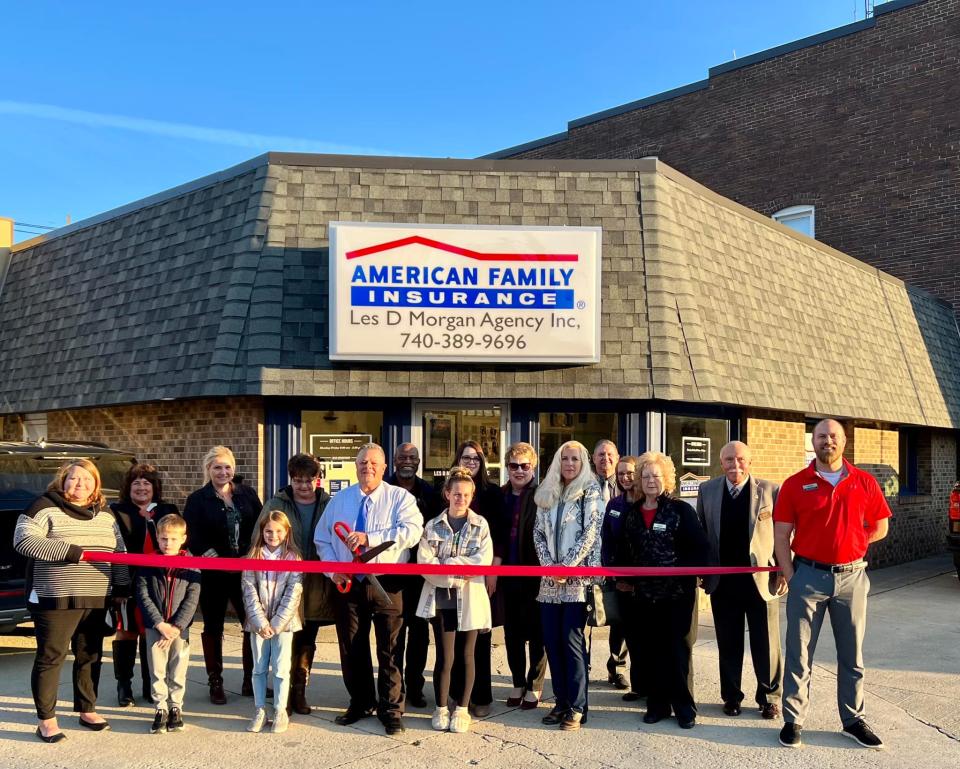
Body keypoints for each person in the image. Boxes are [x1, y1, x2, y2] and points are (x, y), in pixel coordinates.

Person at [774, 419, 891, 750]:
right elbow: (781, 535)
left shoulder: (864, 481)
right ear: (813, 441)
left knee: (852, 654)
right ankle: (793, 720)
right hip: (807, 576)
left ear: (844, 442)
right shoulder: (796, 484)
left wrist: (855, 544)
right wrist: (791, 576)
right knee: (799, 653)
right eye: (822, 436)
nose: (828, 441)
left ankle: (853, 720)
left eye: (834, 436)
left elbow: (880, 526)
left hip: (852, 578)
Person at [13, 459, 129, 742]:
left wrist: (121, 586)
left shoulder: (105, 514)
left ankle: (87, 709)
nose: (81, 484)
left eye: (88, 479)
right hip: (55, 597)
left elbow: (119, 551)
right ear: (63, 481)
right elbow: (23, 540)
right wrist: (70, 551)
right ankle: (47, 719)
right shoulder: (43, 506)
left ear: (96, 484)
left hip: (96, 595)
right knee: (52, 657)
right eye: (74, 479)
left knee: (90, 654)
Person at [315, 443, 424, 735]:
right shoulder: (340, 500)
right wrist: (331, 569)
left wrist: (370, 538)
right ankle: (360, 702)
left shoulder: (400, 498)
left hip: (388, 582)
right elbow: (322, 539)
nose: (368, 468)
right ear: (356, 465)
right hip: (349, 584)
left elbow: (413, 532)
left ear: (384, 467)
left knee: (390, 649)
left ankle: (391, 709)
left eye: (374, 463)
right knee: (352, 647)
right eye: (363, 463)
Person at [613, 451, 709, 729]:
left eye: (656, 475)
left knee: (678, 651)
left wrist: (692, 575)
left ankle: (684, 708)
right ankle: (657, 705)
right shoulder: (632, 514)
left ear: (665, 478)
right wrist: (622, 576)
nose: (651, 480)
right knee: (651, 651)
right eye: (645, 475)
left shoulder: (681, 510)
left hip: (677, 595)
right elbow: (625, 550)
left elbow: (699, 548)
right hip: (644, 595)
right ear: (639, 481)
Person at [698, 440, 784, 720]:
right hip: (723, 583)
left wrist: (784, 567)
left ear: (750, 461)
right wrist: (702, 570)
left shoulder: (771, 491)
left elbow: (785, 534)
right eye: (729, 460)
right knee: (729, 642)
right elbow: (702, 534)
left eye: (740, 459)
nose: (735, 465)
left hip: (760, 582)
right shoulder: (707, 490)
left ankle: (769, 697)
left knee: (766, 643)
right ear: (720, 462)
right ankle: (731, 697)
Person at [533, 440, 604, 731]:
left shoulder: (591, 489)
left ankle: (577, 706)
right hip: (549, 582)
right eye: (565, 459)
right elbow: (538, 532)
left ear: (583, 461)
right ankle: (560, 702)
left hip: (577, 580)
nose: (570, 464)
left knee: (572, 643)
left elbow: (591, 533)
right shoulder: (547, 490)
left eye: (575, 458)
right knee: (552, 643)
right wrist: (550, 567)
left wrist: (567, 566)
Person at [183, 445, 263, 704]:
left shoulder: (247, 494)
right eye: (217, 467)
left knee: (251, 623)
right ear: (208, 469)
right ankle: (215, 680)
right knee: (213, 627)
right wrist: (207, 552)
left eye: (227, 467)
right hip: (213, 572)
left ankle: (252, 678)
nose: (223, 472)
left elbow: (260, 527)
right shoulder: (197, 499)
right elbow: (191, 533)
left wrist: (251, 553)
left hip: (244, 570)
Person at [416, 467, 494, 733]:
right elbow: (426, 564)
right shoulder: (432, 526)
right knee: (445, 657)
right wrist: (454, 575)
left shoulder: (480, 525)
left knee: (467, 655)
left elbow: (481, 561)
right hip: (441, 601)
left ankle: (462, 708)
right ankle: (440, 708)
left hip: (471, 600)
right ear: (447, 494)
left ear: (472, 497)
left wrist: (448, 565)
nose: (460, 499)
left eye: (466, 495)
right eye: (456, 493)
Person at [260, 453, 333, 716]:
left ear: (318, 479)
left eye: (309, 480)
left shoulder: (328, 504)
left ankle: (299, 691)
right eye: (298, 480)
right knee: (285, 639)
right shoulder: (276, 504)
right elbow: (260, 539)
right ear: (291, 479)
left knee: (307, 639)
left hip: (316, 584)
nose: (304, 486)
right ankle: (284, 693)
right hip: (283, 583)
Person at [109, 462, 180, 707]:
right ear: (128, 488)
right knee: (127, 633)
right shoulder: (116, 512)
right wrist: (118, 587)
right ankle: (124, 685)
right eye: (136, 482)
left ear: (155, 487)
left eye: (147, 482)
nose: (141, 487)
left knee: (152, 635)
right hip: (128, 584)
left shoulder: (168, 510)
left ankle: (151, 685)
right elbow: (114, 549)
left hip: (159, 586)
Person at [450, 440, 506, 718]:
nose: (470, 462)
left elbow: (500, 535)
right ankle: (455, 693)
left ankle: (481, 695)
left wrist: (492, 572)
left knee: (479, 636)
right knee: (452, 638)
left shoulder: (492, 493)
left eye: (475, 458)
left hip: (481, 575)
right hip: (450, 578)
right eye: (465, 457)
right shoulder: (449, 492)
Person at [387, 442, 441, 709]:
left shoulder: (430, 493)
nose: (407, 461)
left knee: (419, 635)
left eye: (412, 457)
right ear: (394, 461)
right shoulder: (383, 490)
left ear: (419, 462)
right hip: (391, 575)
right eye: (402, 457)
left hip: (421, 577)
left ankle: (415, 687)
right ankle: (395, 690)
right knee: (393, 636)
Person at [135, 513, 200, 734]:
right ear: (157, 538)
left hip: (179, 631)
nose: (168, 543)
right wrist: (159, 624)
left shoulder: (192, 565)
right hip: (156, 628)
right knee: (157, 670)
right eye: (163, 539)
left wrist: (177, 626)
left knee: (178, 669)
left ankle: (175, 707)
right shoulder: (148, 563)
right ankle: (160, 708)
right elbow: (142, 595)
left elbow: (192, 598)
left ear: (183, 538)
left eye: (173, 539)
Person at [242, 510, 304, 734]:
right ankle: (260, 709)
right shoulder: (253, 556)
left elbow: (294, 593)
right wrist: (260, 622)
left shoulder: (294, 557)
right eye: (268, 530)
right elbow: (249, 591)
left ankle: (280, 709)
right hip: (257, 625)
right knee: (258, 668)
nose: (273, 535)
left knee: (280, 669)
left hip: (284, 625)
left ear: (286, 532)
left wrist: (276, 624)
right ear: (262, 531)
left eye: (278, 531)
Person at [498, 441, 547, 711]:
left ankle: (535, 685)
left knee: (537, 634)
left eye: (524, 466)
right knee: (512, 634)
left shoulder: (541, 495)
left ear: (533, 467)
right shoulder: (501, 495)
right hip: (507, 575)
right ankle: (517, 682)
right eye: (514, 465)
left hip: (534, 575)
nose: (519, 471)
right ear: (507, 467)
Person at [601, 455, 646, 702]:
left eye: (630, 473)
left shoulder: (647, 503)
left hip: (644, 582)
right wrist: (614, 574)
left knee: (642, 635)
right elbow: (606, 541)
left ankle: (642, 684)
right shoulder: (614, 505)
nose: (625, 478)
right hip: (619, 580)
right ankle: (617, 669)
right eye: (621, 474)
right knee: (620, 627)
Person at [592, 439, 629, 690]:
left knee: (620, 618)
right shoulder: (583, 485)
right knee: (585, 615)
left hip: (617, 564)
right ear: (593, 459)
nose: (605, 459)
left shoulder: (627, 487)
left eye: (610, 454)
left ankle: (617, 667)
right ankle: (580, 664)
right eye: (600, 455)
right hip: (587, 562)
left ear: (617, 458)